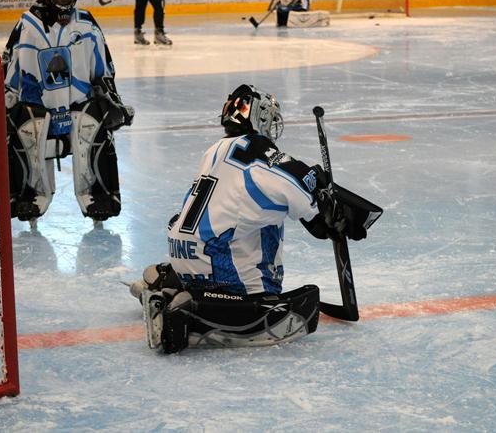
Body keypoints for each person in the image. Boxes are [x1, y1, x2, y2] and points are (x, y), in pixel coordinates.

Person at [129, 85, 380, 353]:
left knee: (247, 215)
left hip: (184, 253)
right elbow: (298, 185)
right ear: (259, 117)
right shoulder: (258, 150)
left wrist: (318, 212)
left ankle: (171, 282)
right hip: (221, 266)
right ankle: (190, 310)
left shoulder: (214, 150)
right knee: (289, 302)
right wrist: (329, 212)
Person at [2, 0, 134, 226]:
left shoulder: (85, 22)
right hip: (39, 109)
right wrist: (5, 106)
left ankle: (98, 197)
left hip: (78, 106)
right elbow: (11, 71)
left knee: (94, 121)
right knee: (24, 124)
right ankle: (29, 196)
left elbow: (102, 68)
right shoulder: (26, 26)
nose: (66, 1)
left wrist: (113, 100)